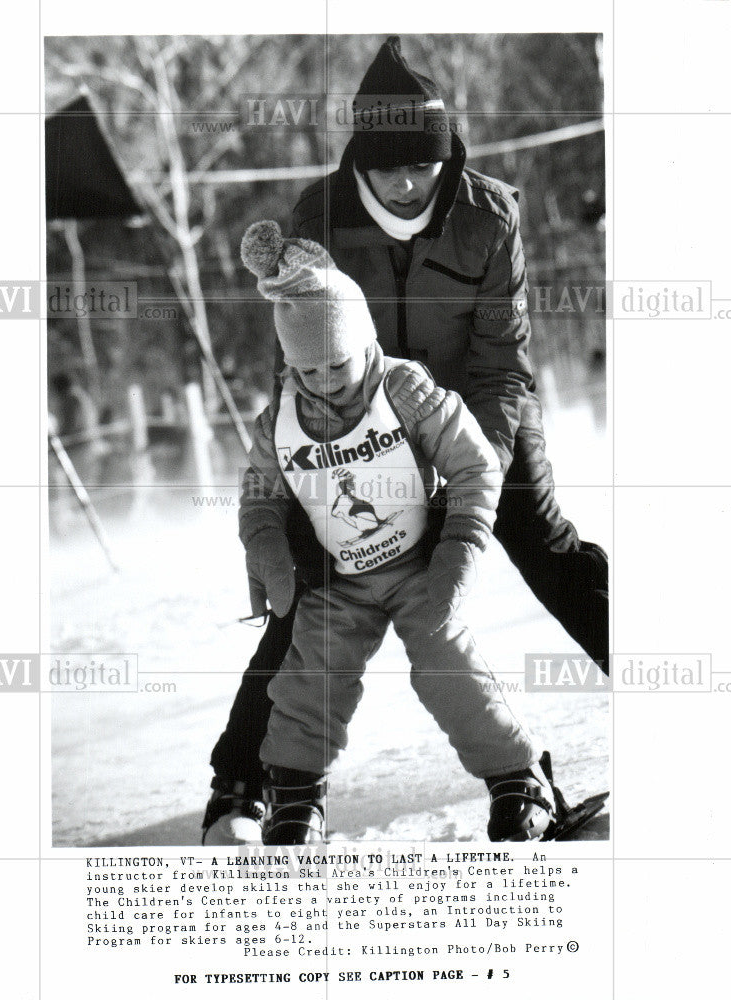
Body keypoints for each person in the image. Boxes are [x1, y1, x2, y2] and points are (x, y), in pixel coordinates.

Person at [202, 36, 608, 845]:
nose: (408, 180)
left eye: (422, 164)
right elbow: (296, 353)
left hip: (472, 412)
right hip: (351, 413)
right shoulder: (317, 216)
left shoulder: (490, 217)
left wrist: (473, 476)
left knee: (545, 541)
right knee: (304, 579)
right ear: (361, 162)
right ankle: (238, 789)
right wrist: (290, 490)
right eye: (389, 167)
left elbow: (502, 363)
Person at [236, 219, 558, 844]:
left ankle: (519, 779)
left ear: (365, 343)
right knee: (312, 677)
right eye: (307, 370)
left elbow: (475, 463)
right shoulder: (278, 420)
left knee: (447, 665)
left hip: (419, 565)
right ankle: (297, 797)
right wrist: (265, 543)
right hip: (343, 577)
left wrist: (461, 547)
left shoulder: (402, 388)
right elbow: (258, 493)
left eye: (337, 364)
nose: (324, 380)